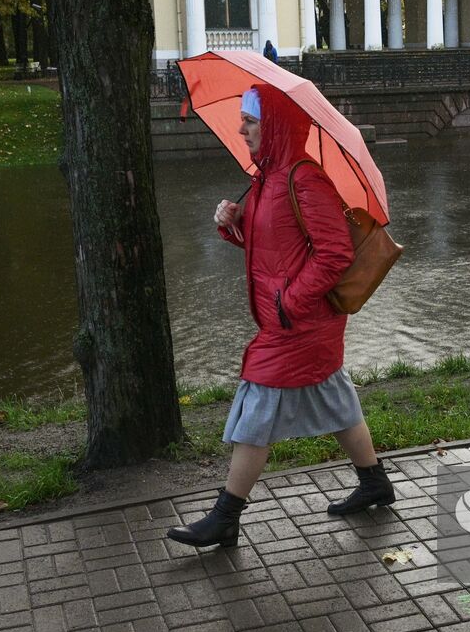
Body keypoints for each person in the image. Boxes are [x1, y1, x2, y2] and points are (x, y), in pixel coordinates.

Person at [167, 83, 395, 549]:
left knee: (259, 401)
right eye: (243, 119)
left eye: (252, 119)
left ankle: (225, 515)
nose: (242, 127)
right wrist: (234, 224)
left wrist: (289, 301)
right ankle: (375, 482)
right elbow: (274, 249)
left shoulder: (304, 178)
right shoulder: (267, 178)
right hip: (291, 318)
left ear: (275, 126)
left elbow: (332, 255)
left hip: (301, 322)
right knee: (333, 394)